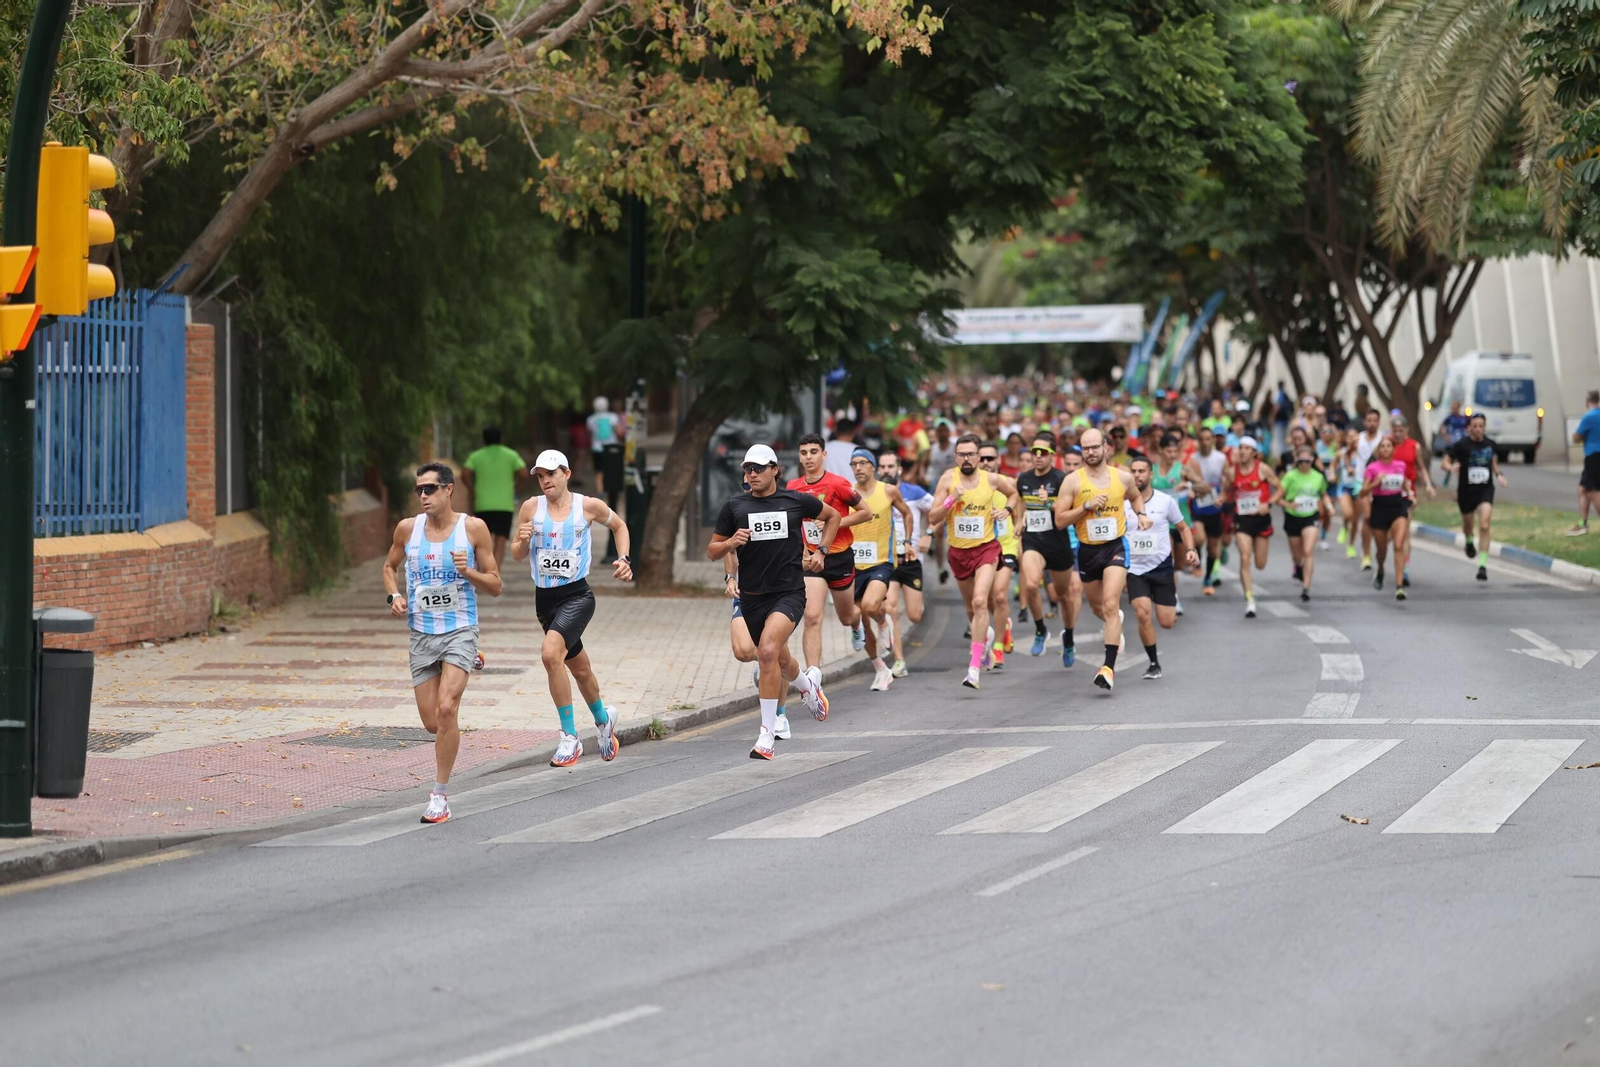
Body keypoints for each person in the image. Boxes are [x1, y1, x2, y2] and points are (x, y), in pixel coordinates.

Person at [382, 462, 503, 824]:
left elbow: (495, 585)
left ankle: (439, 795)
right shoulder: (407, 529)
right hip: (421, 634)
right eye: (419, 489)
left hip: (459, 630)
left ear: (449, 490)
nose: (423, 496)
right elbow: (389, 568)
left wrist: (468, 572)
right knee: (434, 723)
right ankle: (470, 660)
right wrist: (393, 597)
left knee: (448, 709)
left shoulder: (473, 529)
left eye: (430, 489)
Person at [709, 445, 839, 759]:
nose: (752, 474)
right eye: (747, 469)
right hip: (753, 598)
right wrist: (730, 542)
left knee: (766, 651)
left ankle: (767, 733)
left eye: (758, 468)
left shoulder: (794, 501)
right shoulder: (735, 506)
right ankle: (806, 685)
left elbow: (832, 516)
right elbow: (713, 551)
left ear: (775, 470)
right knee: (781, 660)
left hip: (789, 594)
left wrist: (822, 550)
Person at [510, 450, 633, 767]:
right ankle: (605, 721)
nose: (545, 480)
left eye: (551, 473)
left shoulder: (587, 506)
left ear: (566, 473)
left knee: (551, 653)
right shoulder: (530, 508)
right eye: (540, 475)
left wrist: (624, 559)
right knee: (579, 669)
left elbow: (619, 526)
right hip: (545, 600)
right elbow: (516, 554)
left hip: (577, 596)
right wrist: (522, 540)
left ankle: (569, 738)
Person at [1052, 429, 1151, 692]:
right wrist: (1085, 507)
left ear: (1106, 447)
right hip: (1087, 551)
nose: (1090, 452)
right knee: (1100, 609)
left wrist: (1140, 514)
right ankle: (1113, 619)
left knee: (1110, 603)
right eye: (1085, 448)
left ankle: (1107, 668)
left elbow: (1136, 496)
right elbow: (1060, 521)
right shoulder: (1072, 481)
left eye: (1095, 447)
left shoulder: (1122, 477)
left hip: (1115, 548)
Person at [928, 433, 1022, 689]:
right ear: (955, 456)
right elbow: (933, 518)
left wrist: (1007, 511)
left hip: (986, 549)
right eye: (961, 454)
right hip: (958, 553)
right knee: (972, 607)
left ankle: (974, 666)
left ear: (979, 456)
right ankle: (986, 639)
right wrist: (951, 499)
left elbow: (1014, 494)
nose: (966, 458)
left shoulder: (991, 479)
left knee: (982, 600)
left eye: (971, 453)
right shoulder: (948, 479)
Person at [790, 433, 871, 684]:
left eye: (814, 452)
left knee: (846, 616)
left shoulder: (839, 484)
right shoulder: (793, 488)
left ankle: (857, 625)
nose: (809, 457)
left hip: (839, 559)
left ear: (824, 455)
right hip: (813, 560)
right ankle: (813, 677)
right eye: (804, 453)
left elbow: (866, 513)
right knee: (812, 616)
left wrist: (833, 522)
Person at [1123, 455, 1197, 680]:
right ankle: (1154, 663)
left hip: (1161, 566)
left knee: (1166, 622)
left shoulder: (1165, 501)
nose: (1137, 475)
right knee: (1143, 613)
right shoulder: (1122, 503)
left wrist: (1190, 550)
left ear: (1150, 474)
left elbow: (1183, 528)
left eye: (1141, 471)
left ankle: (1168, 598)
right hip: (1134, 569)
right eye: (1133, 471)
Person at [849, 448, 914, 691]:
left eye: (863, 463)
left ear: (873, 466)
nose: (858, 468)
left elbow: (907, 514)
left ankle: (884, 623)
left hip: (881, 562)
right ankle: (880, 668)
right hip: (853, 565)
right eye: (854, 463)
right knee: (860, 623)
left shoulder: (888, 490)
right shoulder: (848, 492)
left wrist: (907, 542)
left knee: (869, 606)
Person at [1017, 431, 1079, 666]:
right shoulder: (1024, 479)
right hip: (1034, 541)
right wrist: (1019, 520)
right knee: (1032, 584)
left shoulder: (1063, 479)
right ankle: (1041, 629)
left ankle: (1069, 638)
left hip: (1059, 544)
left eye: (1043, 452)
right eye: (1035, 452)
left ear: (1053, 455)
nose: (1038, 456)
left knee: (1063, 597)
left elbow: (1070, 511)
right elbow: (1022, 502)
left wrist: (1050, 503)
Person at [879, 452, 930, 677]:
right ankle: (899, 660)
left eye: (890, 466)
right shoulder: (874, 494)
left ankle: (917, 605)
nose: (886, 470)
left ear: (899, 469)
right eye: (882, 467)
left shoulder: (914, 492)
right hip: (887, 561)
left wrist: (928, 534)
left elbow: (938, 511)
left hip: (911, 560)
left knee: (915, 615)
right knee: (890, 608)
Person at [1442, 413, 1507, 581]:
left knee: (1485, 524)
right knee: (1468, 524)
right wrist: (1451, 468)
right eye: (1475, 426)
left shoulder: (1490, 444)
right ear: (1469, 428)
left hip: (1485, 489)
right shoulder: (1461, 445)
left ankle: (1483, 565)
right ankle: (1469, 539)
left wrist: (1499, 475)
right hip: (1466, 491)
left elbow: (1492, 462)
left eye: (1481, 426)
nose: (1478, 429)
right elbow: (1445, 462)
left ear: (1484, 427)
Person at [1223, 437, 1279, 619]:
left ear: (1254, 452)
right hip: (1242, 520)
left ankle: (1250, 596)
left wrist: (1269, 503)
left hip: (1261, 519)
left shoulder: (1263, 469)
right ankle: (1249, 599)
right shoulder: (1232, 472)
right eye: (1241, 448)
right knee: (1245, 557)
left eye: (1247, 448)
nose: (1243, 451)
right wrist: (1221, 498)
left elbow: (1280, 488)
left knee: (1260, 564)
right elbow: (1227, 491)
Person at [978, 444, 1022, 668]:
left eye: (990, 458)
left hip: (1006, 545)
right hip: (984, 547)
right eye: (982, 458)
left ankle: (997, 647)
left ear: (998, 460)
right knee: (986, 599)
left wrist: (1019, 524)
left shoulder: (1008, 483)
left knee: (1000, 596)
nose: (986, 462)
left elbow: (1019, 504)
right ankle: (1004, 627)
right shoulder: (973, 485)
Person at [460, 427, 527, 568]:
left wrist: (472, 489)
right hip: (504, 505)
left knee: (483, 541)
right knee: (501, 541)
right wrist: (514, 486)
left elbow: (465, 473)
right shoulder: (511, 455)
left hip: (482, 504)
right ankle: (495, 574)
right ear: (502, 438)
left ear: (484, 440)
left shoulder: (476, 456)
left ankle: (484, 572)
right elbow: (524, 473)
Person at [1360, 435, 1413, 599]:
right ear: (1379, 450)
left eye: (1388, 446)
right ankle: (1381, 568)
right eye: (1382, 446)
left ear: (1393, 449)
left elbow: (1405, 483)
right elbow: (1362, 492)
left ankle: (1399, 586)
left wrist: (1410, 493)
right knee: (1381, 550)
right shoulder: (1373, 468)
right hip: (1380, 507)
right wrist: (1376, 482)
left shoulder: (1400, 465)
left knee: (1398, 544)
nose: (1385, 449)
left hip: (1398, 506)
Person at [1275, 448, 1331, 602]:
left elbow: (1323, 493)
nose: (1305, 464)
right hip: (1293, 517)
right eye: (1302, 461)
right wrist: (1288, 504)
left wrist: (1329, 506)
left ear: (1312, 461)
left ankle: (1306, 587)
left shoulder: (1318, 477)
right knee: (1297, 555)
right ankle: (1298, 566)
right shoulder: (1290, 477)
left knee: (1308, 551)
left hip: (1310, 516)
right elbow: (1277, 498)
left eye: (1308, 461)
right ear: (1297, 462)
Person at [1387, 413, 1435, 588]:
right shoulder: (1386, 446)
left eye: (1401, 430)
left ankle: (1404, 569)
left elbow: (1421, 468)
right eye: (1395, 430)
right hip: (1387, 493)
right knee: (1388, 535)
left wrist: (1428, 484)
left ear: (1406, 430)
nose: (1398, 434)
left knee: (1403, 533)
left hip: (1407, 495)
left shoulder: (1414, 446)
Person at [1185, 425, 1227, 595]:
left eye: (1208, 439)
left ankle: (1208, 577)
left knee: (1214, 546)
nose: (1205, 442)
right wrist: (1191, 488)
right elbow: (1186, 478)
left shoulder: (1221, 458)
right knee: (1200, 538)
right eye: (1202, 439)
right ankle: (1198, 561)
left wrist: (1223, 496)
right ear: (1198, 441)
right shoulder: (1192, 459)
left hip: (1215, 506)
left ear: (1213, 440)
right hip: (1199, 505)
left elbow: (1227, 480)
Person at [1353, 408, 1385, 570]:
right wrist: (1349, 466)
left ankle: (1374, 547)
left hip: (1379, 483)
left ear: (1379, 422)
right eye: (1369, 420)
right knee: (1367, 517)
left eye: (1375, 420)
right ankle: (1366, 555)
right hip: (1361, 482)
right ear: (1364, 422)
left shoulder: (1384, 439)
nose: (1372, 424)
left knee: (1377, 521)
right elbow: (1346, 454)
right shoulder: (1357, 439)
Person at [586, 397, 626, 516]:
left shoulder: (591, 419)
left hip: (597, 448)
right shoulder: (613, 417)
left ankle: (601, 492)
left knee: (598, 471)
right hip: (611, 448)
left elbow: (591, 433)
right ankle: (610, 492)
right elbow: (619, 432)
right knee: (610, 470)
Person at [1569, 389, 1600, 535]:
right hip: (1594, 457)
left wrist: (1576, 436)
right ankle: (1583, 524)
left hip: (1593, 456)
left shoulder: (1589, 417)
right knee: (1582, 489)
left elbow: (1576, 438)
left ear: (1587, 402)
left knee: (1593, 491)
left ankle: (1584, 525)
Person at [1333, 427, 1366, 559]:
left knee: (1356, 520)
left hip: (1358, 488)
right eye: (1350, 437)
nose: (1352, 439)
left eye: (1355, 437)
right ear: (1346, 439)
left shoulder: (1363, 454)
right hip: (1345, 487)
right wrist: (1331, 474)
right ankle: (1344, 527)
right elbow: (1333, 466)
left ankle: (1351, 545)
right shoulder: (1341, 453)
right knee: (1348, 513)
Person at [1437, 401, 1470, 487]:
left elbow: (1469, 428)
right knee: (1447, 462)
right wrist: (1446, 436)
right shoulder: (1449, 418)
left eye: (1454, 408)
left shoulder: (1463, 419)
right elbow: (1441, 427)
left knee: (1461, 465)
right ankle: (1446, 482)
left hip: (1461, 445)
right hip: (1451, 445)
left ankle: (1461, 484)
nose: (1453, 410)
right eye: (1452, 408)